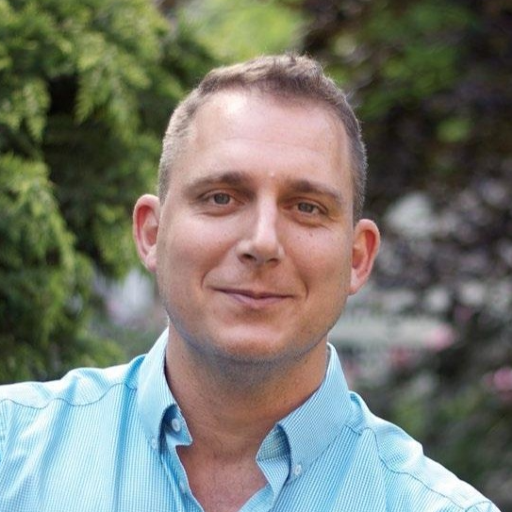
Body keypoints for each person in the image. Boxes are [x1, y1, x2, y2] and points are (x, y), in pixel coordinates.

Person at [0, 54, 500, 512]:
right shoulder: (11, 452)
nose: (262, 242)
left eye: (307, 207)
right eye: (221, 197)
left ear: (357, 257)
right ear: (152, 234)